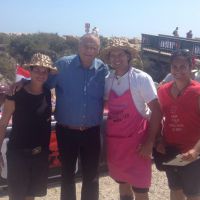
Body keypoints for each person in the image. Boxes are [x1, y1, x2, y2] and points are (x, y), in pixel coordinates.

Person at [45, 33, 108, 200]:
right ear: (79, 47)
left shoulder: (102, 69)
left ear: (98, 50)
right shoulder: (62, 65)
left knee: (92, 176)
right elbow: (42, 84)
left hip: (92, 131)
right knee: (67, 175)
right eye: (86, 46)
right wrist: (22, 83)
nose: (89, 50)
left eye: (93, 47)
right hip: (66, 131)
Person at [101, 38, 162, 200]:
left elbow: (157, 111)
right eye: (112, 56)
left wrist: (150, 142)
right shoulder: (108, 80)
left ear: (128, 56)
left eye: (120, 54)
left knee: (141, 190)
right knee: (123, 185)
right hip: (116, 145)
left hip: (138, 145)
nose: (116, 59)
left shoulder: (141, 79)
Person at [0, 53, 57, 200]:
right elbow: (3, 123)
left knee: (31, 195)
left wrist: (24, 81)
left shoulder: (47, 93)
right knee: (17, 196)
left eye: (44, 71)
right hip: (18, 154)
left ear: (48, 74)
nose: (41, 74)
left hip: (40, 155)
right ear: (30, 71)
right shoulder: (15, 93)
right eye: (37, 70)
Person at [157, 49, 200, 200]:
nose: (178, 70)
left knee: (193, 194)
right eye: (174, 67)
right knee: (175, 189)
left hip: (193, 154)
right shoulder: (162, 91)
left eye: (183, 67)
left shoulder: (198, 92)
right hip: (171, 149)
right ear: (170, 68)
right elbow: (158, 118)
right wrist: (158, 140)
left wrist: (195, 150)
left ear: (190, 67)